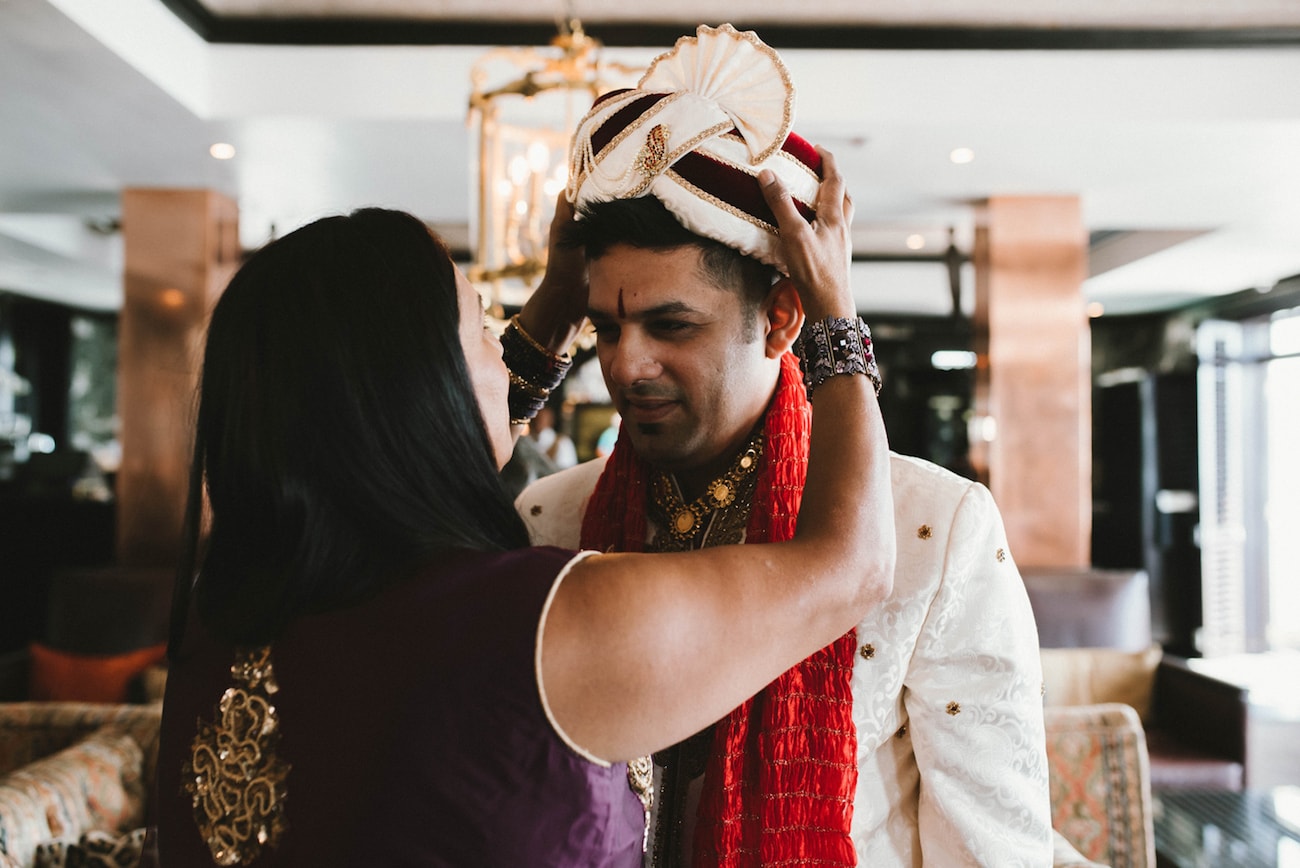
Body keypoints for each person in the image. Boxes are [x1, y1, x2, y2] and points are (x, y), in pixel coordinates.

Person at [153, 126, 894, 863]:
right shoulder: (552, 620)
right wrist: (837, 316)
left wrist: (563, 298)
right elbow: (850, 568)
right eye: (482, 329)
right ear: (420, 397)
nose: (623, 364)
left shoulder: (216, 625)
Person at [517, 23, 1053, 867]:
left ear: (780, 319)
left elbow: (995, 852)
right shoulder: (549, 518)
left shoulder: (933, 531)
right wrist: (545, 314)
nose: (625, 364)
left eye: (670, 325)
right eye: (605, 325)